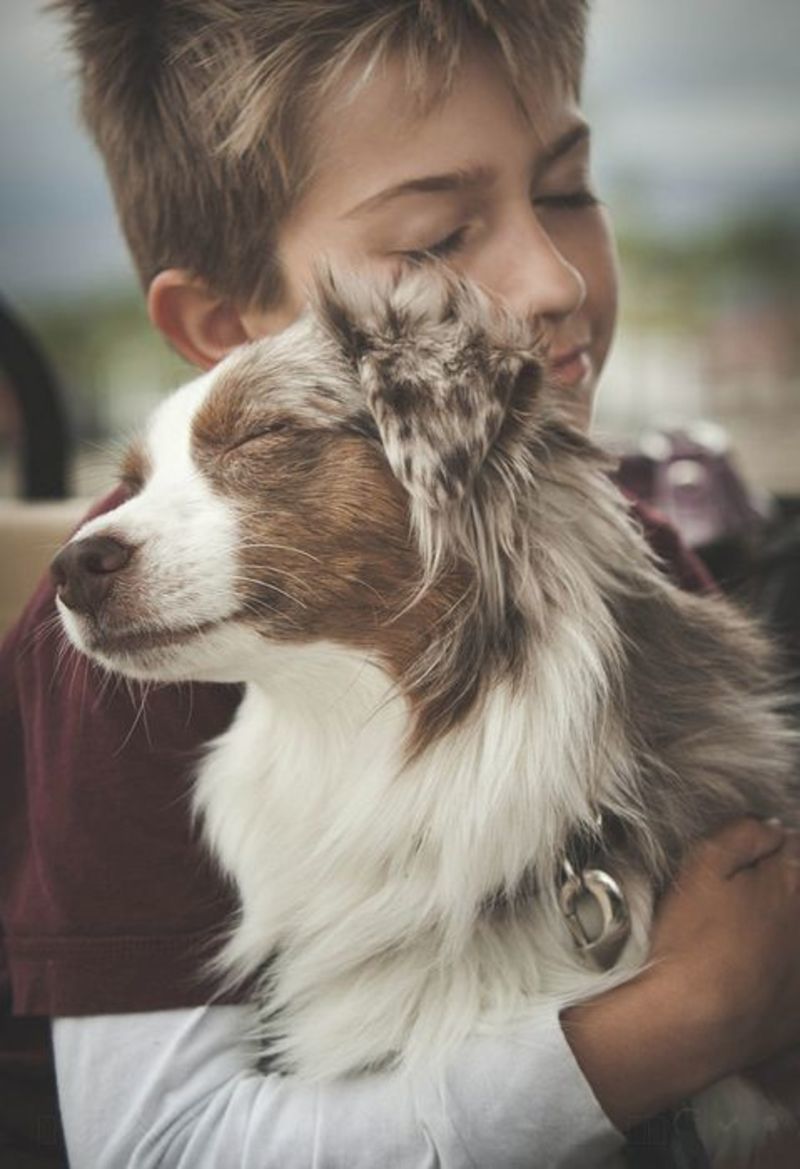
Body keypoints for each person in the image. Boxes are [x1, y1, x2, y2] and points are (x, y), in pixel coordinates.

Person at [1, 2, 799, 1165]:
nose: (549, 279)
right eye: (434, 240)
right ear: (223, 326)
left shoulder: (629, 550)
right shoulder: (152, 627)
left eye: (568, 192)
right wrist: (667, 1028)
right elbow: (156, 1145)